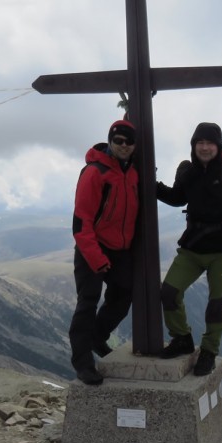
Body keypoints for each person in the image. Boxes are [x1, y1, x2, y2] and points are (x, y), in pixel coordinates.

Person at [156, 122, 222, 376]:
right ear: (193, 145)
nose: (204, 147)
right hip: (192, 247)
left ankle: (209, 351)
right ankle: (182, 339)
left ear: (218, 146)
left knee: (216, 303)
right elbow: (178, 197)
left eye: (209, 143)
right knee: (168, 292)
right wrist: (153, 184)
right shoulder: (189, 172)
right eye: (199, 143)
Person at [68, 119, 140, 385]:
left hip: (120, 249)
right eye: (118, 140)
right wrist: (96, 259)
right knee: (87, 303)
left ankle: (97, 338)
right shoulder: (94, 173)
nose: (123, 145)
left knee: (124, 294)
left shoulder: (132, 173)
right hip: (92, 249)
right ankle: (83, 364)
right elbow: (81, 223)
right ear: (110, 141)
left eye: (128, 141)